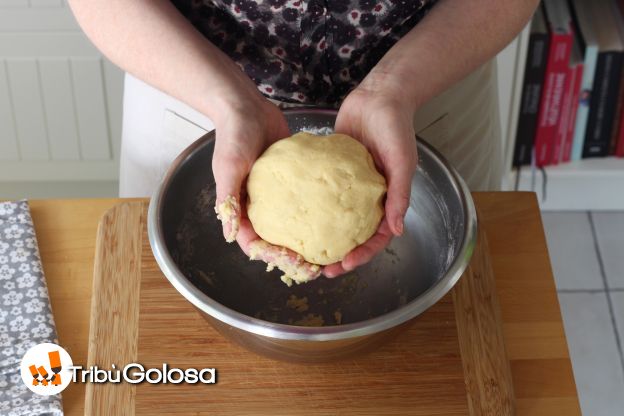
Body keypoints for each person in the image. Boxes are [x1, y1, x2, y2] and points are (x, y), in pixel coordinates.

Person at [68, 0, 539, 278]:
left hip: (428, 84)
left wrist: (394, 88)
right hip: (189, 89)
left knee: (452, 314)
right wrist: (229, 101)